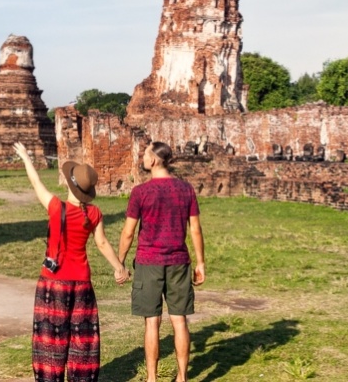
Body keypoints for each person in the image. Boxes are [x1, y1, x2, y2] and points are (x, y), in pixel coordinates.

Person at [13, 142, 127, 382]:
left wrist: (25, 157)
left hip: (53, 283)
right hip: (82, 283)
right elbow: (102, 243)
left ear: (68, 183)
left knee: (51, 341)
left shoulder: (56, 207)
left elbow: (37, 184)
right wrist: (119, 268)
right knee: (81, 339)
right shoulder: (93, 213)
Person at [120, 141, 207, 382]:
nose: (143, 157)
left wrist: (121, 261)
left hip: (149, 261)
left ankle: (152, 378)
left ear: (155, 160)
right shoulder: (186, 189)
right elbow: (196, 229)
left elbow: (128, 232)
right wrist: (200, 262)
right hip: (179, 260)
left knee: (152, 322)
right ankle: (182, 377)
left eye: (146, 153)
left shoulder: (141, 192)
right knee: (180, 321)